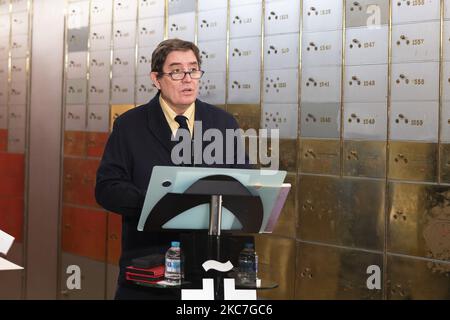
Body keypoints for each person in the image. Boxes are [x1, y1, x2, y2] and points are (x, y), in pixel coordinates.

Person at [95, 39, 249, 300]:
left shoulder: (223, 123)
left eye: (193, 70)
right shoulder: (130, 126)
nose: (187, 79)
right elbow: (107, 188)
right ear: (156, 78)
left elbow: (244, 183)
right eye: (176, 71)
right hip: (149, 269)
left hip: (211, 270)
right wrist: (157, 202)